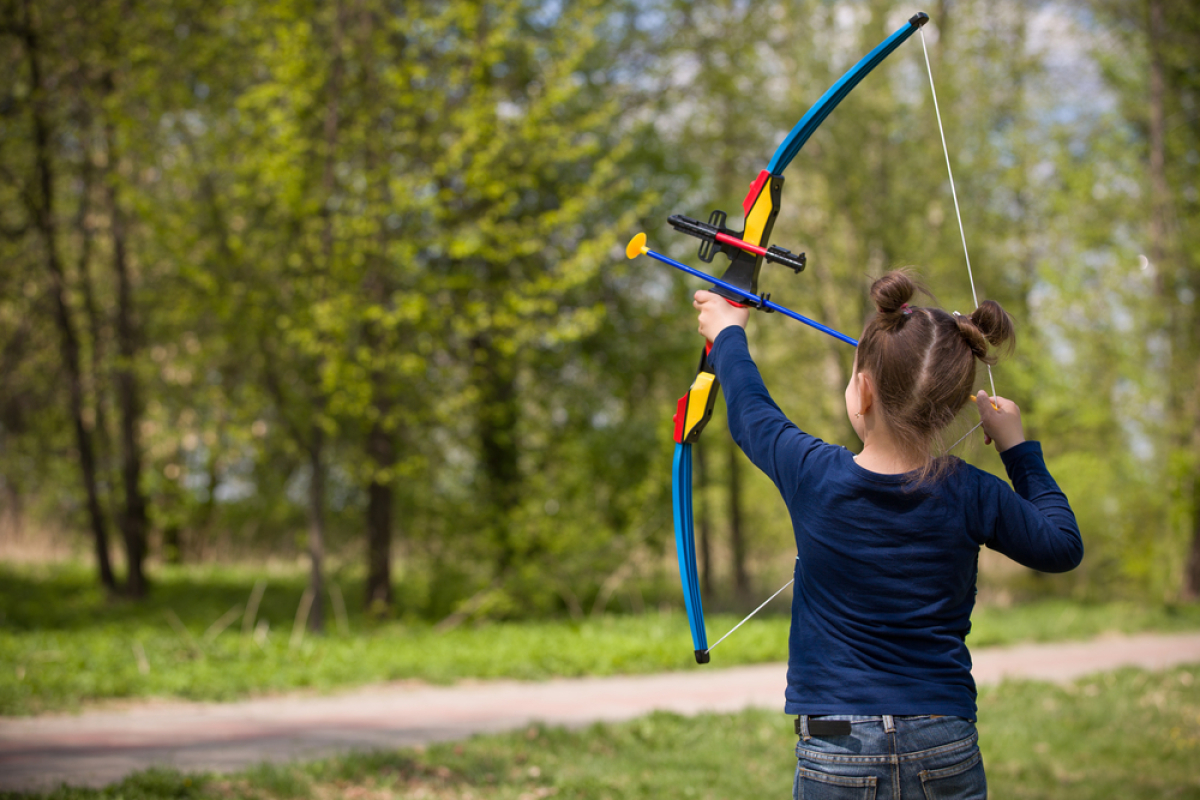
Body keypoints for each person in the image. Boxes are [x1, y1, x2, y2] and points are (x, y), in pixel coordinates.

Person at [692, 270, 1082, 800]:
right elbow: (1061, 545)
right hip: (944, 743)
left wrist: (728, 333)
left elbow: (752, 415)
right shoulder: (972, 491)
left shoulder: (814, 473)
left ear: (866, 391)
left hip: (837, 748)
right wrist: (1017, 449)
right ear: (948, 404)